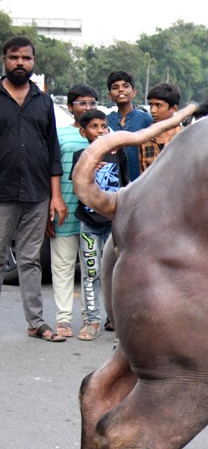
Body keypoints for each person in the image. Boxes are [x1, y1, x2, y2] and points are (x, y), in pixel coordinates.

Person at [0, 37, 68, 343]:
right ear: (5, 60)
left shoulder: (43, 102)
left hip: (38, 193)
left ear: (33, 62)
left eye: (26, 58)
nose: (20, 63)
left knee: (30, 260)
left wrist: (55, 196)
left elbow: (52, 150)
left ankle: (36, 322)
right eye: (14, 57)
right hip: (2, 194)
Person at [73, 109, 130, 341]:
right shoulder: (80, 156)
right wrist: (88, 168)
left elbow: (126, 185)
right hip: (89, 224)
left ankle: (116, 322)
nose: (99, 131)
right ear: (83, 131)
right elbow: (78, 187)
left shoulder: (119, 155)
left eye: (103, 127)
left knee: (115, 274)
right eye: (94, 127)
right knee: (91, 272)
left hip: (112, 224)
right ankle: (92, 321)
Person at [49, 84, 99, 337]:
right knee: (62, 266)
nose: (87, 108)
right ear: (70, 107)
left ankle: (90, 320)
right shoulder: (58, 134)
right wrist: (52, 200)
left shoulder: (103, 133)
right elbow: (51, 171)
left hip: (93, 216)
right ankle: (63, 320)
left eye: (91, 103)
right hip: (64, 211)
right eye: (81, 103)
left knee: (91, 269)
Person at [139, 82, 182, 173]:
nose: (153, 110)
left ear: (173, 108)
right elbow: (142, 173)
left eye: (159, 105)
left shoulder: (184, 136)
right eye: (151, 105)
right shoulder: (145, 137)